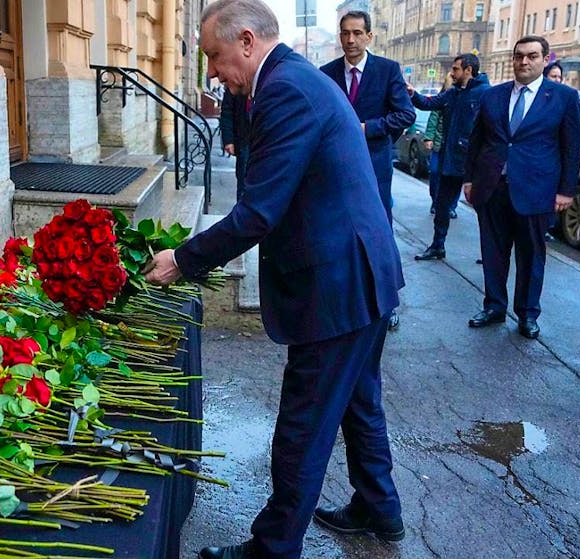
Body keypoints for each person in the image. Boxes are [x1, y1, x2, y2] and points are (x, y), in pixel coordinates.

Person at [144, 1, 404, 557]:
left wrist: (183, 259)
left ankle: (272, 548)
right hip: (360, 276)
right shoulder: (290, 79)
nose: (211, 70)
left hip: (337, 285)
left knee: (302, 427)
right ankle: (380, 509)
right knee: (359, 401)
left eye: (213, 55)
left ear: (245, 40)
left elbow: (260, 212)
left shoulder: (285, 88)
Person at [463, 36, 580, 339]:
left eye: (532, 56)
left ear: (545, 59)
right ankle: (493, 306)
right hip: (493, 188)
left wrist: (566, 190)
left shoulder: (563, 97)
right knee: (493, 252)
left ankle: (528, 314)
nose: (524, 62)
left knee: (531, 256)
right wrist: (469, 179)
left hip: (536, 191)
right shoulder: (494, 96)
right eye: (519, 56)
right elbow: (477, 140)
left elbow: (573, 145)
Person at [320, 10, 415, 331]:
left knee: (379, 235)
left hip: (374, 169)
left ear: (369, 36)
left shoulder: (387, 71)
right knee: (338, 233)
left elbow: (405, 115)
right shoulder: (326, 73)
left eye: (357, 33)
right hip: (333, 170)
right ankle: (344, 299)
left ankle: (387, 304)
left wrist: (367, 128)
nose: (350, 40)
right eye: (345, 33)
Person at [408, 53, 490, 261]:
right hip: (451, 159)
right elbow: (429, 104)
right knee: (442, 205)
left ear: (468, 70)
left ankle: (490, 252)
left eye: (455, 69)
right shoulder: (453, 93)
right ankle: (438, 246)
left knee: (483, 210)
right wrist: (412, 94)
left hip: (474, 162)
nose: (452, 73)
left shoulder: (485, 94)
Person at [423, 72, 459, 218]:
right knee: (435, 173)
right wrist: (428, 138)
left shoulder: (463, 97)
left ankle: (451, 206)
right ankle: (436, 202)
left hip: (456, 147)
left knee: (456, 177)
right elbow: (433, 119)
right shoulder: (442, 99)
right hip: (439, 145)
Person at [219, 91, 251, 200]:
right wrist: (228, 140)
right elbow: (227, 111)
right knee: (243, 181)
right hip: (244, 140)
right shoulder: (235, 81)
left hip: (263, 141)